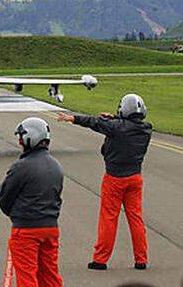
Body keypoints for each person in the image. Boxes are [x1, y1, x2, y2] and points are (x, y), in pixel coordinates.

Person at [57, 94, 151, 271]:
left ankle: (100, 260)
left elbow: (94, 123)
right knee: (136, 219)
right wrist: (114, 118)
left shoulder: (116, 128)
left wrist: (73, 118)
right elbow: (127, 125)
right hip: (135, 178)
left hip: (114, 179)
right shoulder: (146, 128)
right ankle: (141, 259)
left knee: (109, 218)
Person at [0, 117, 64, 287]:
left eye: (21, 138)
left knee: (27, 276)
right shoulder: (56, 165)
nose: (20, 142)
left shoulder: (21, 166)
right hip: (50, 228)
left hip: (26, 230)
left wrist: (16, 215)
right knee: (50, 276)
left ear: (30, 138)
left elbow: (4, 197)